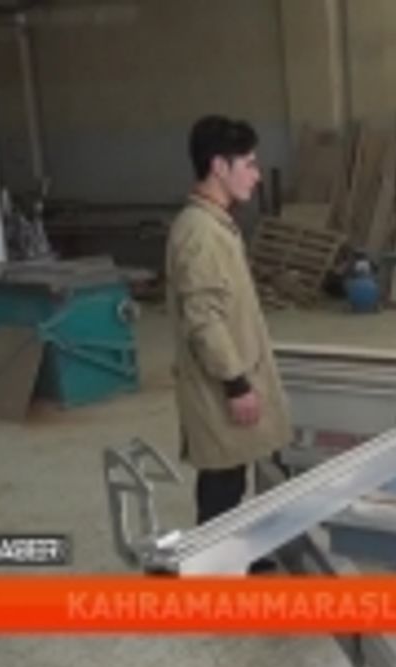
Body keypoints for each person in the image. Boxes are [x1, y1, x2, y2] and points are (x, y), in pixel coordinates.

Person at [165, 115, 293, 572]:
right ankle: (210, 571)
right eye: (250, 164)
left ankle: (238, 558)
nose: (257, 175)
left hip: (236, 371)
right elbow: (204, 319)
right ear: (219, 166)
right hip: (221, 382)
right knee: (222, 478)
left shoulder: (217, 224)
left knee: (233, 471)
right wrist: (237, 384)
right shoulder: (200, 232)